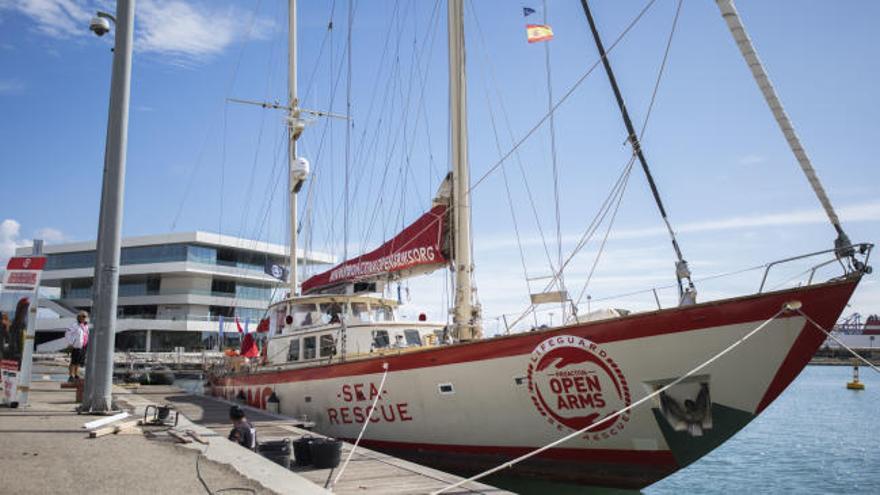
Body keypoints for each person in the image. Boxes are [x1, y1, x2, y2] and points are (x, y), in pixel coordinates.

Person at [64, 311, 89, 382]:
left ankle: (76, 374)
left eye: (86, 316)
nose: (85, 318)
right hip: (76, 345)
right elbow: (68, 333)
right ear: (79, 317)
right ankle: (71, 375)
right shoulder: (75, 325)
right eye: (83, 316)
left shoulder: (85, 326)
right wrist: (70, 342)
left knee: (79, 361)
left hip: (83, 346)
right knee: (74, 361)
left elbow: (86, 335)